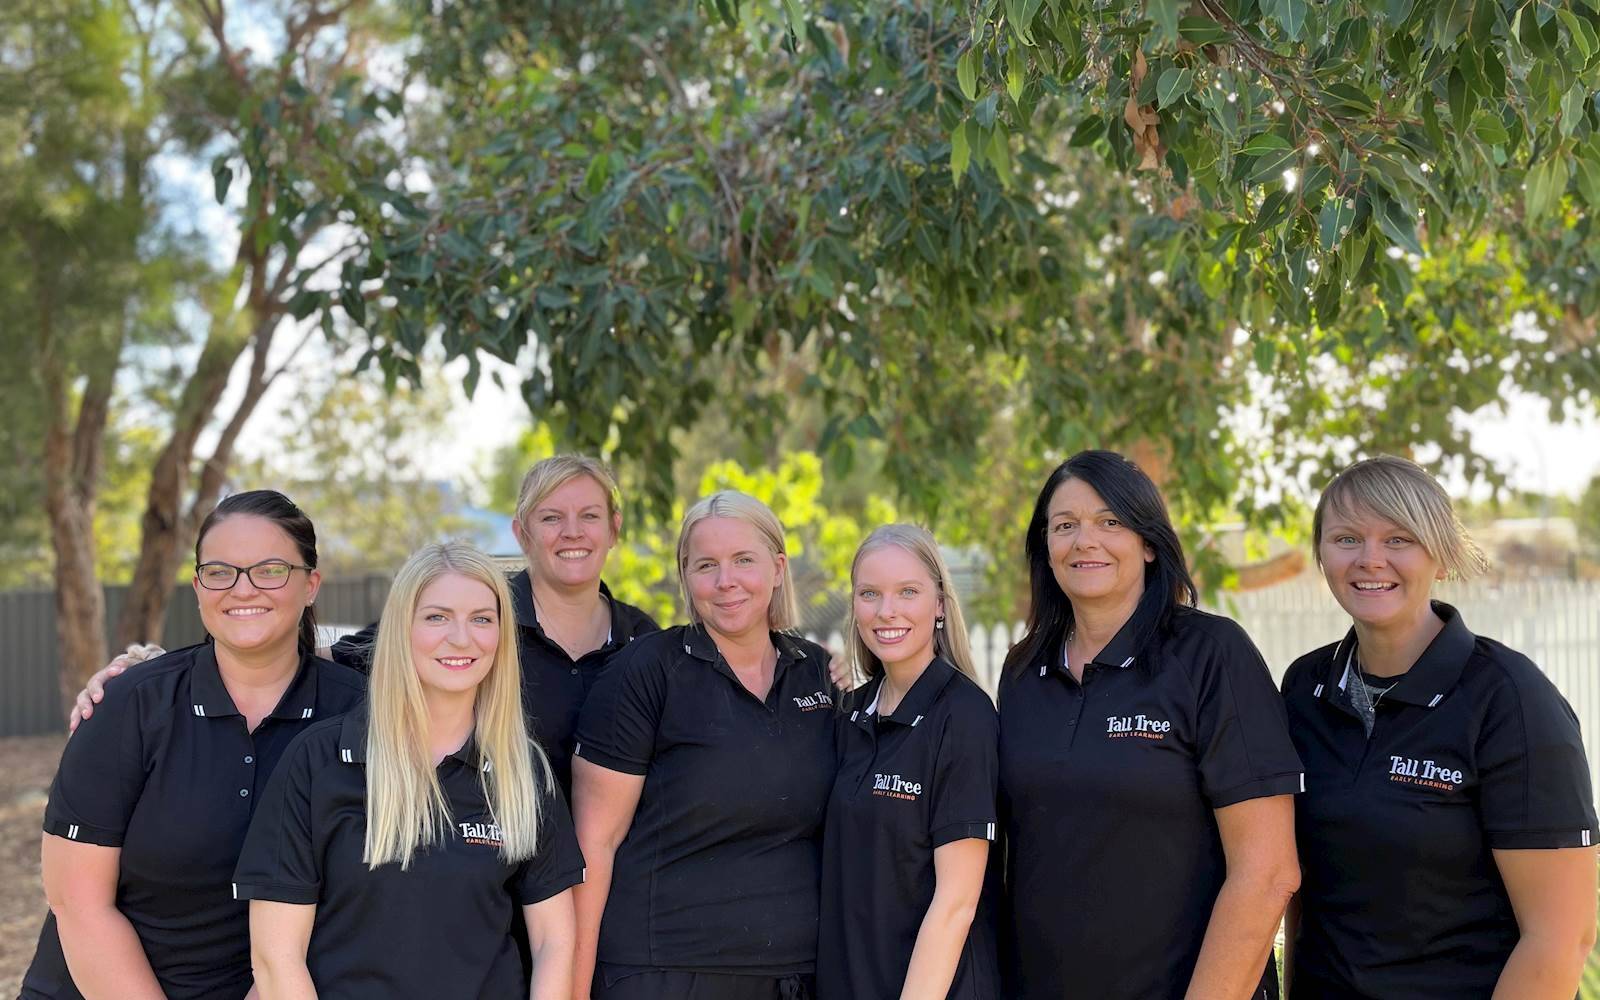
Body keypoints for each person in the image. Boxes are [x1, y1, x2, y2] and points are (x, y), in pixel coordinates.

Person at [70, 454, 659, 797]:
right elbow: (323, 650)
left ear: (615, 526)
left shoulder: (644, 641)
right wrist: (153, 664)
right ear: (521, 531)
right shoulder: (473, 611)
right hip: (485, 861)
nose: (572, 532)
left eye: (589, 516)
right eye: (552, 517)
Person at [20, 490, 366, 1000]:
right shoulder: (130, 706)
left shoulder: (360, 712)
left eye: (270, 570)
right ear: (198, 585)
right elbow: (79, 904)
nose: (242, 589)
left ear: (311, 584)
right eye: (221, 571)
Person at [1280, 456, 1598, 999]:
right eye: (1347, 538)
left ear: (1442, 557)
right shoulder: (1304, 686)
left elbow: (1561, 938)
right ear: (1322, 555)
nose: (1370, 559)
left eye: (1400, 539)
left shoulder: (1510, 700)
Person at [997, 450, 1303, 1000]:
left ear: (1148, 542)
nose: (1084, 541)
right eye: (1065, 525)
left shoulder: (1212, 655)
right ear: (1045, 546)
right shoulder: (1022, 673)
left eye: (1110, 522)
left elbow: (1268, 874)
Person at [235, 541, 582, 999]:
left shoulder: (523, 772)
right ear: (402, 628)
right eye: (437, 616)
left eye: (482, 618)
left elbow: (554, 943)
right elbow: (275, 959)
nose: (462, 638)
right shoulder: (320, 762)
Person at [570, 490, 836, 1000]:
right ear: (686, 577)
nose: (725, 581)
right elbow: (593, 847)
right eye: (706, 565)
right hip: (663, 971)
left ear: (778, 568)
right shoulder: (646, 671)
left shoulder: (818, 674)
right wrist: (575, 991)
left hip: (792, 975)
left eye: (743, 561)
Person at [817, 524, 999, 1000]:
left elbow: (956, 903)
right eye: (869, 593)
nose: (886, 611)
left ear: (939, 603)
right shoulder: (848, 714)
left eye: (907, 592)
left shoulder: (964, 715)